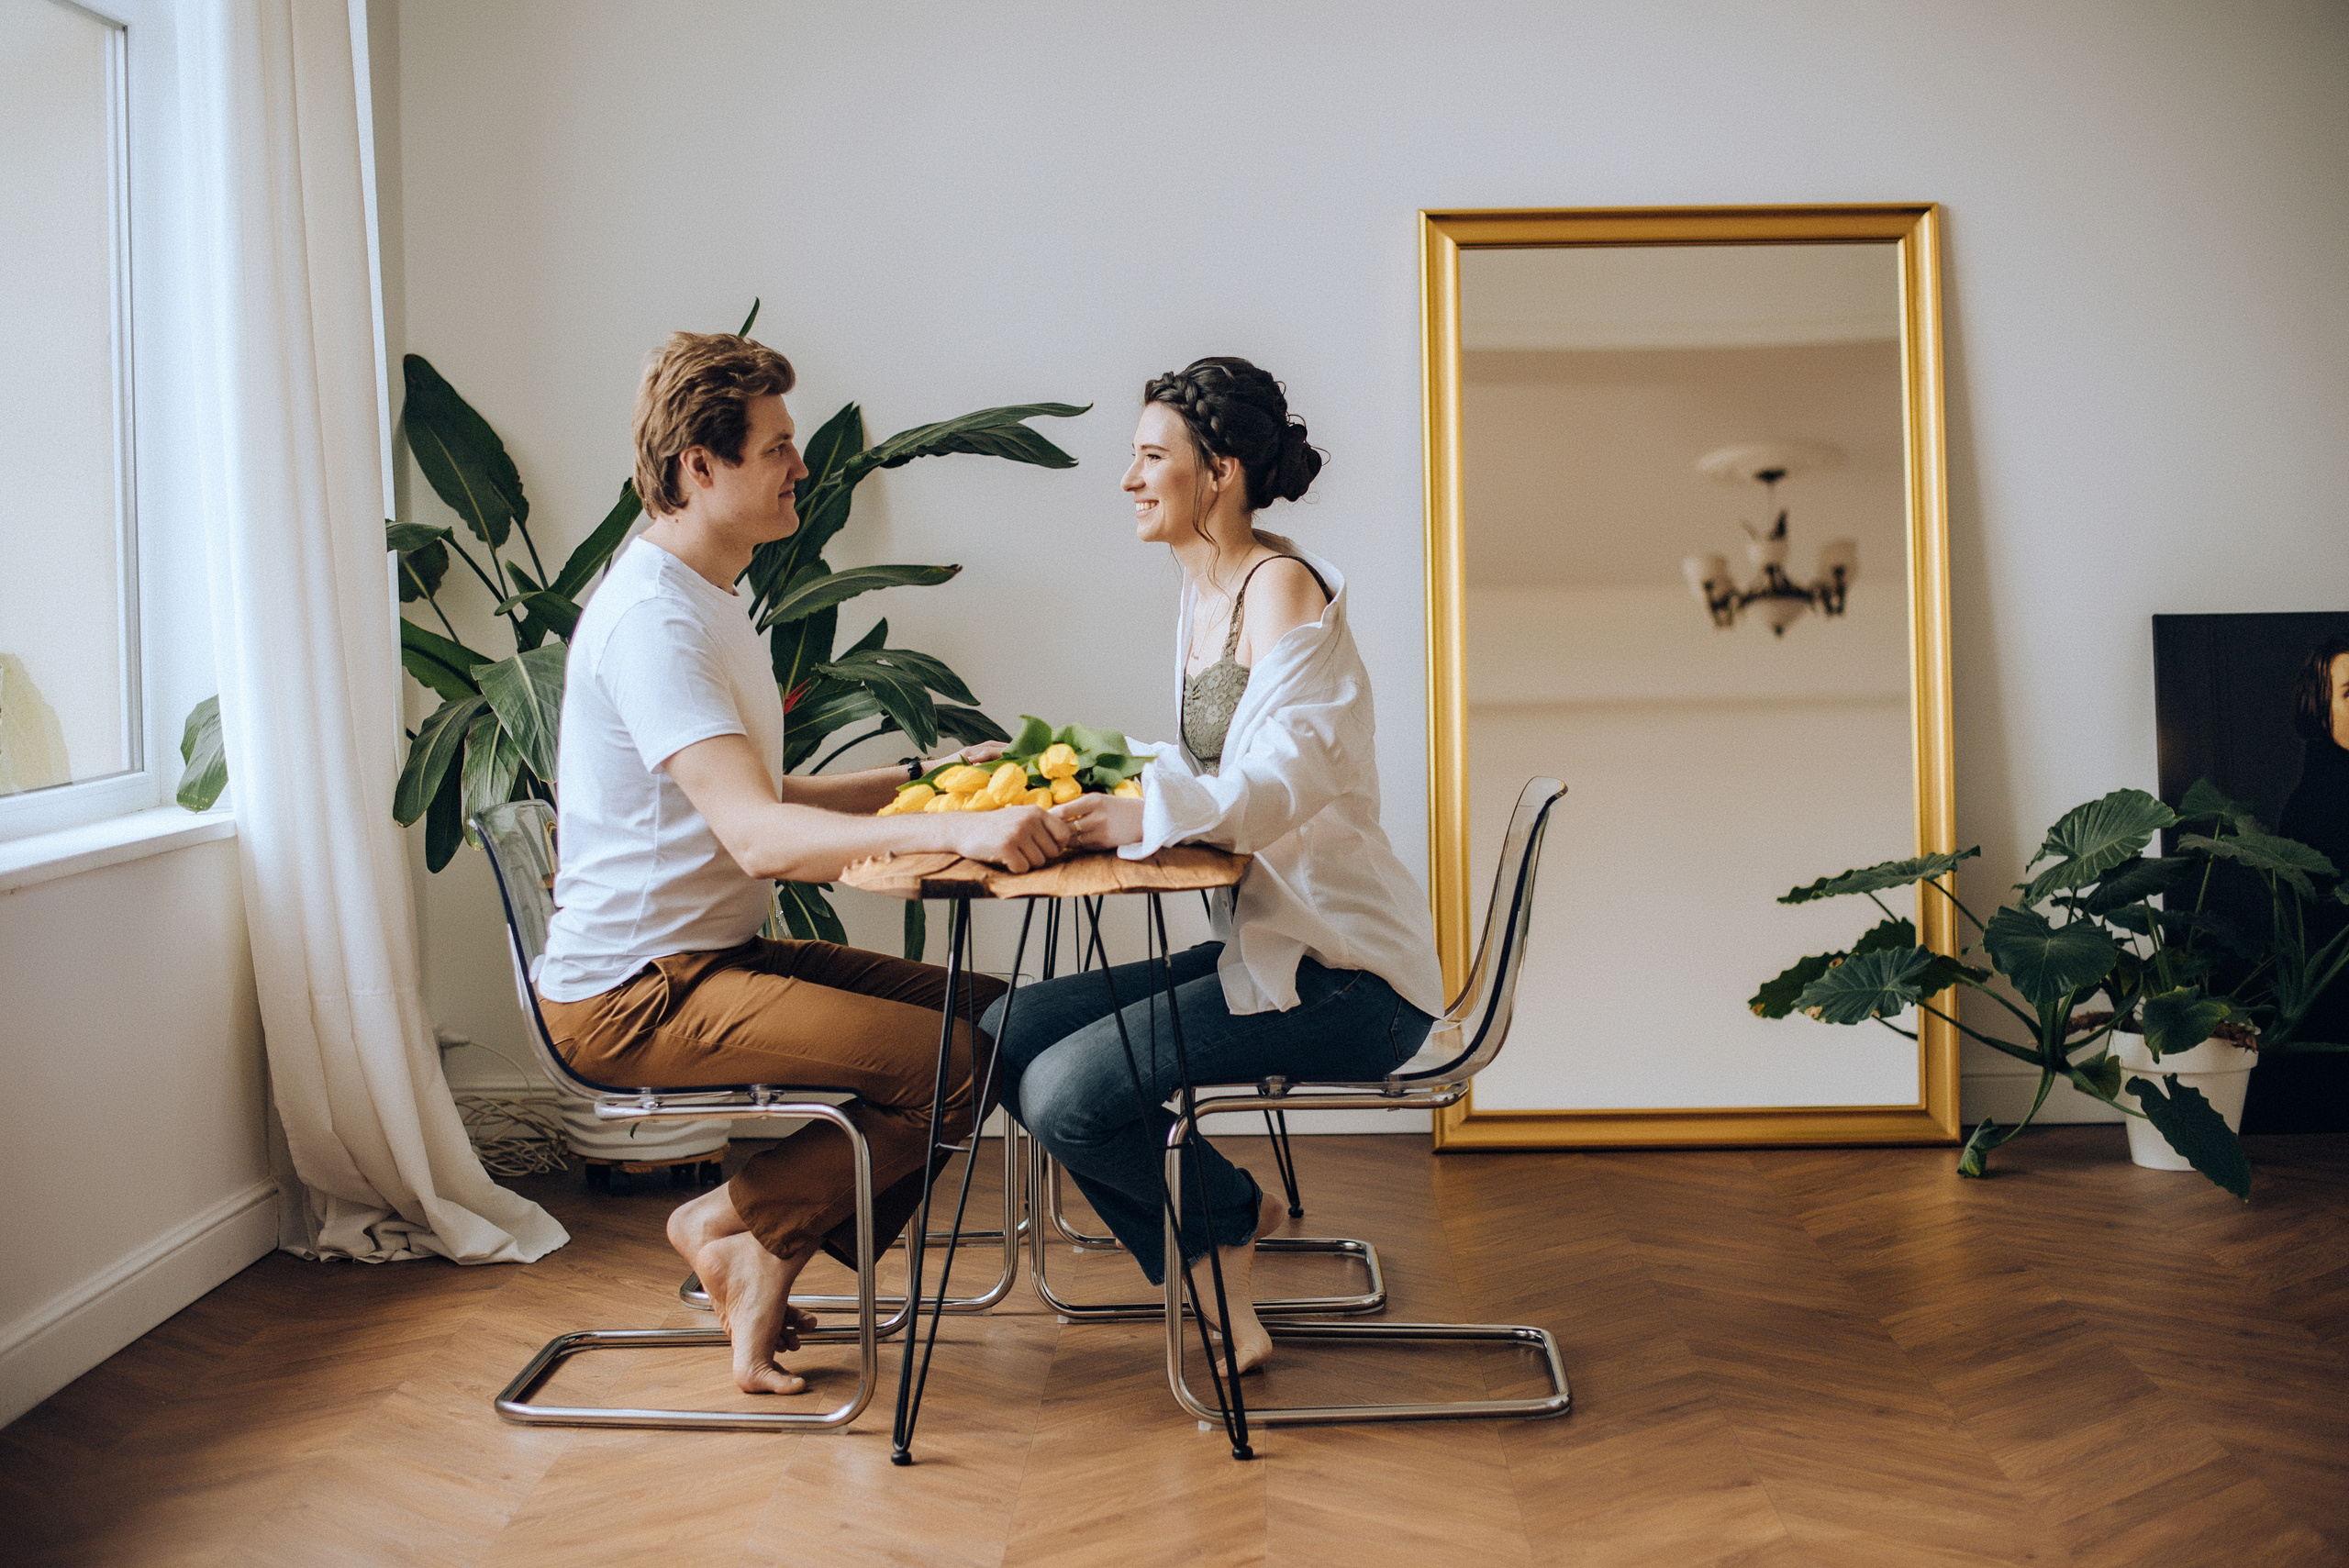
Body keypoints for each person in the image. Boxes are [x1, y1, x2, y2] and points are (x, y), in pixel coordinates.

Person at [534, 331, 1073, 1395]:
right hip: (631, 995)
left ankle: (754, 1252)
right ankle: (729, 1225)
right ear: (701, 465)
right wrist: (954, 832)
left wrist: (925, 778)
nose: (801, 466)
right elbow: (759, 839)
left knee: (1000, 1018)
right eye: (778, 446)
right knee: (954, 1066)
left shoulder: (710, 600)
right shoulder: (653, 620)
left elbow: (766, 800)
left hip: (706, 956)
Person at [985, 357, 1446, 1376]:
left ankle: (1220, 1242)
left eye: (1152, 456)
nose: (1128, 478)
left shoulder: (1280, 586)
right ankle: (1230, 1211)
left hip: (1349, 977)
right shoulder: (1207, 593)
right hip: (1271, 951)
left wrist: (1136, 812)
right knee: (1002, 1032)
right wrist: (1053, 778)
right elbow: (1207, 763)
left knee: (1066, 1092)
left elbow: (1283, 778)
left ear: (1220, 471)